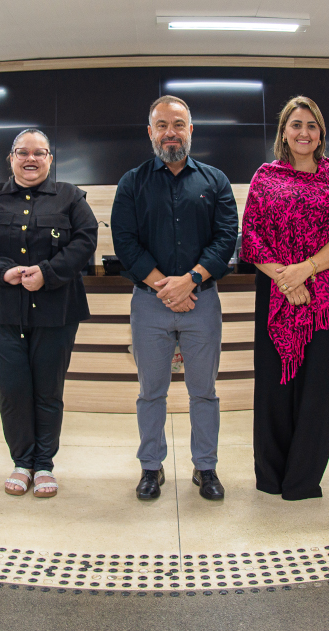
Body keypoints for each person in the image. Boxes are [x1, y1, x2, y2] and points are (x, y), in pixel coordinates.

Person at [239, 96, 329, 500]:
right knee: (275, 389)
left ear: (321, 134)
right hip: (278, 298)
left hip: (328, 303)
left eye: (312, 126)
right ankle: (272, 476)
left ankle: (302, 480)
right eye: (296, 124)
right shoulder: (265, 176)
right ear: (284, 132)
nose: (303, 132)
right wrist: (285, 278)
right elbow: (252, 235)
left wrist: (305, 269)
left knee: (319, 393)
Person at [111, 95, 239, 501]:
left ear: (190, 130)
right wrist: (165, 287)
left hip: (202, 301)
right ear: (151, 133)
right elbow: (125, 243)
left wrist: (190, 281)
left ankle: (206, 468)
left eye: (178, 124)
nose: (171, 132)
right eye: (162, 125)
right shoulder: (131, 182)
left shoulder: (215, 181)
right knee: (152, 392)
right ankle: (151, 467)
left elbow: (225, 240)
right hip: (149, 304)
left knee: (204, 391)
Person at [0, 129, 98, 498]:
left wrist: (48, 274)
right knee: (11, 387)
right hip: (0, 307)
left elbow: (86, 239)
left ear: (50, 159)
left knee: (48, 390)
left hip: (56, 307)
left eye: (39, 153)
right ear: (11, 158)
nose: (30, 159)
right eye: (22, 152)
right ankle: (22, 461)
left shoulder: (71, 196)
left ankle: (45, 465)